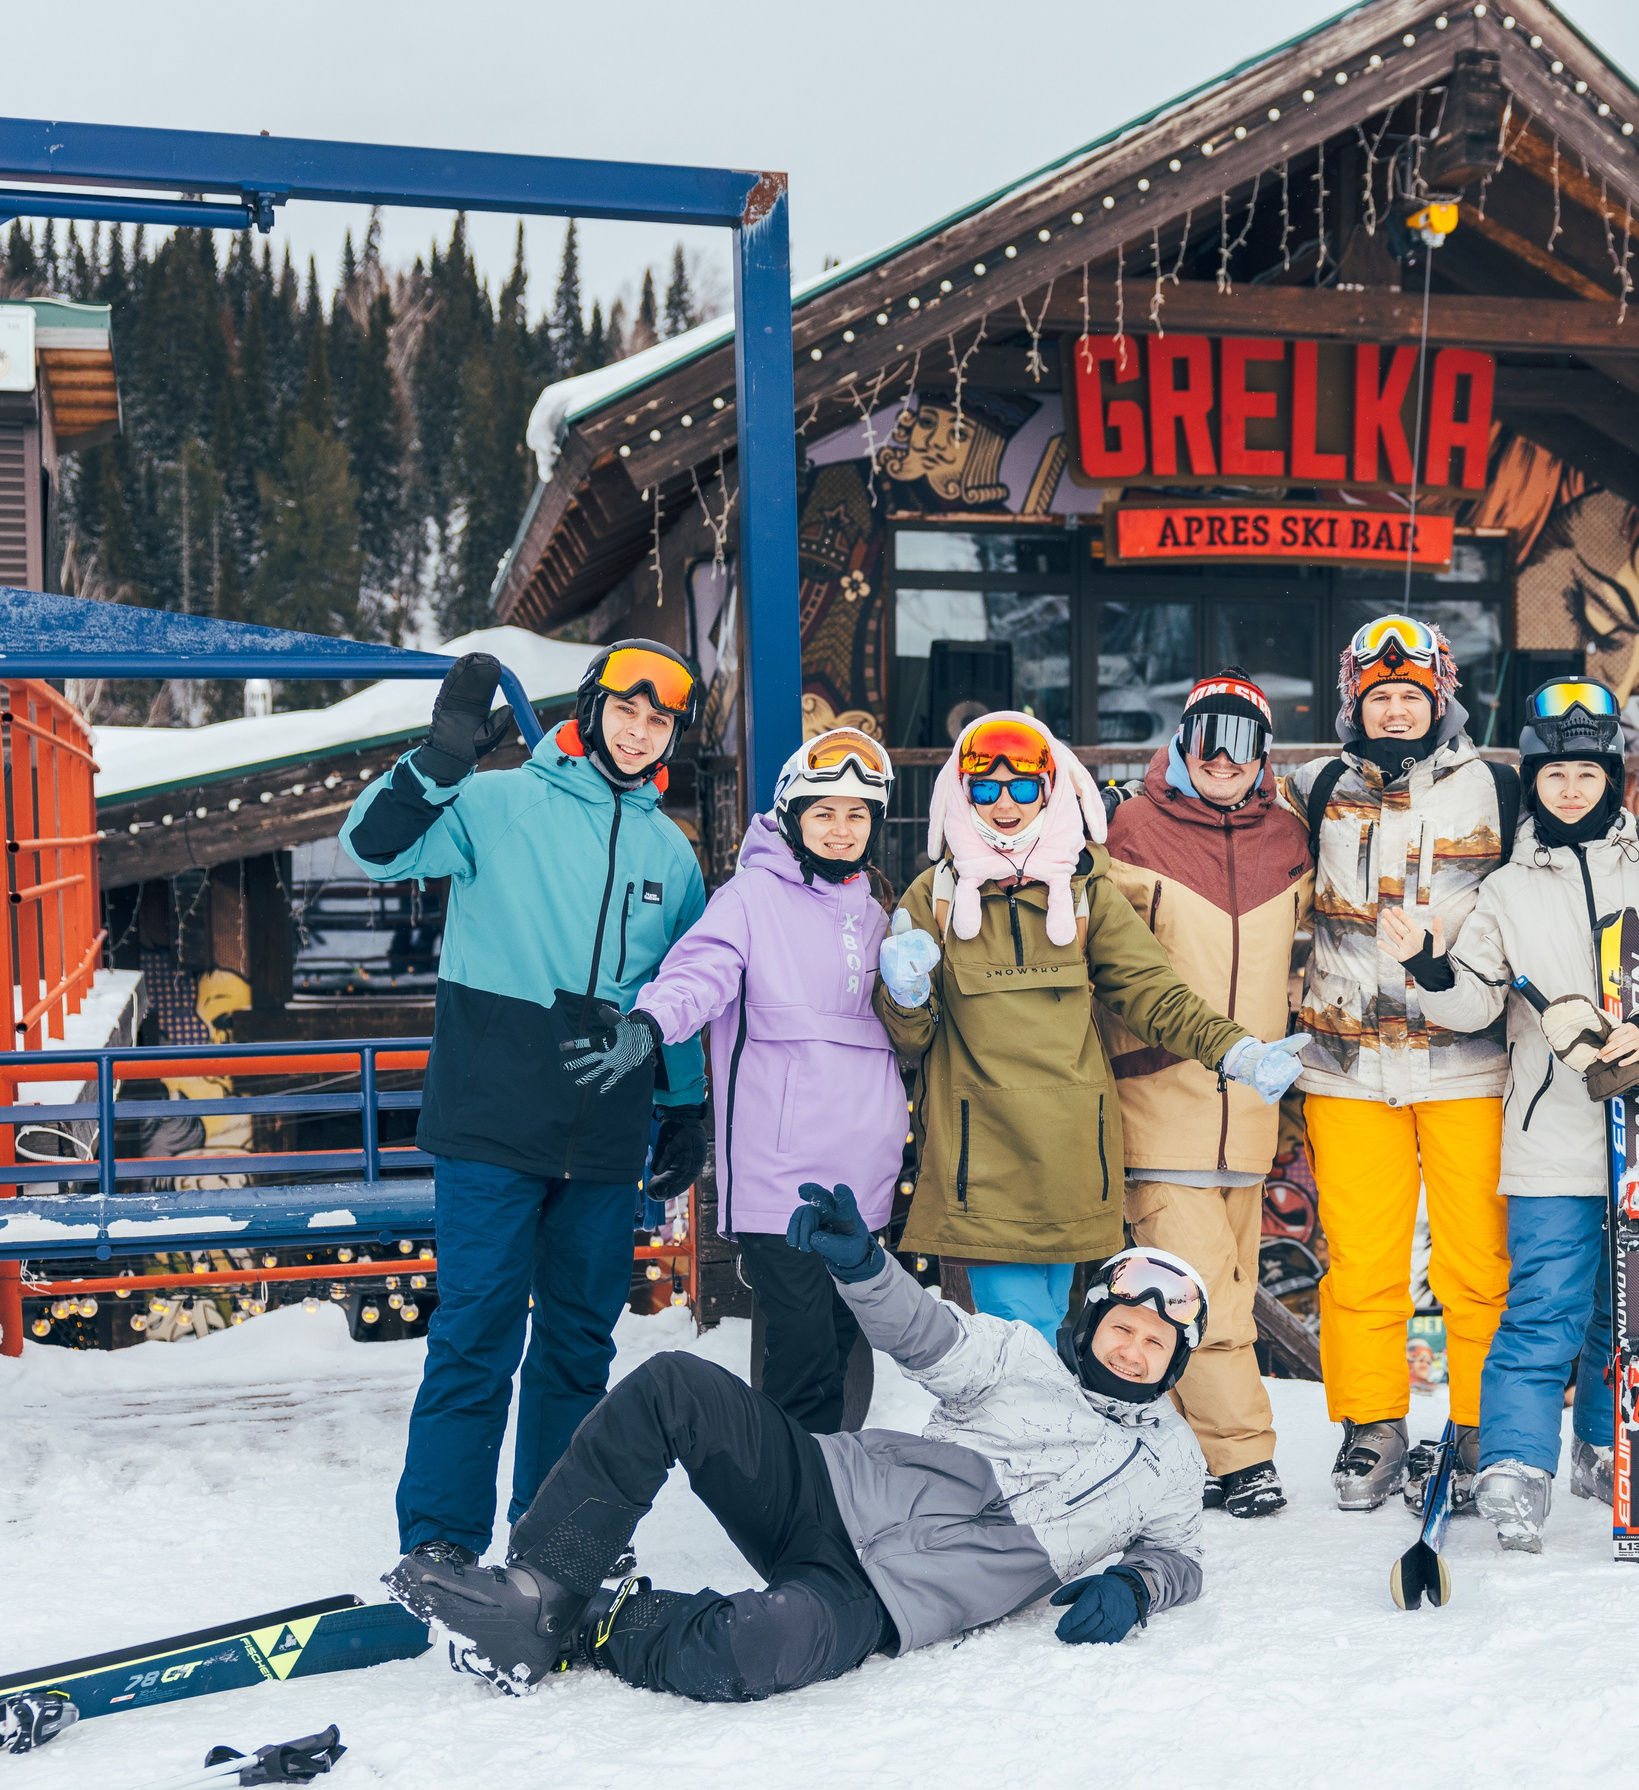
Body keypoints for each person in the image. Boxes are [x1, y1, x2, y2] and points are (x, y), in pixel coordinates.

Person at [385, 1195, 1213, 1702]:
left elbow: (1179, 1553)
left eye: (1157, 1343)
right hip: (825, 1487)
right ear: (1090, 1324)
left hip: (890, 1599)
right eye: (1123, 1328)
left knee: (757, 1647)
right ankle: (540, 1589)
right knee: (676, 1384)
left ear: (1176, 1362)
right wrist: (866, 1268)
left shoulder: (1172, 1462)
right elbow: (925, 1334)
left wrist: (1137, 1585)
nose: (1134, 1351)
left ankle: (592, 1625)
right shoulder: (1019, 1358)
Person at [343, 643, 710, 1576]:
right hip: (492, 1117)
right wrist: (440, 760)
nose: (639, 733)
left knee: (579, 1346)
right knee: (476, 1337)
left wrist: (684, 1105)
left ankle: (560, 1544)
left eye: (658, 721)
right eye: (625, 711)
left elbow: (684, 987)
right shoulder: (497, 802)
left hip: (605, 1131)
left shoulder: (673, 854)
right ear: (590, 710)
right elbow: (371, 848)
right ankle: (439, 1541)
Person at [1385, 679, 1639, 1551]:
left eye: (1587, 774)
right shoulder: (1507, 889)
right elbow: (1476, 998)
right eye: (1554, 775)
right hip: (1554, 1127)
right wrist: (1431, 968)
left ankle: (1609, 1444)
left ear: (1611, 778)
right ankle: (1516, 1462)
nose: (1571, 790)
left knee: (1635, 1309)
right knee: (1544, 1302)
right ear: (1532, 782)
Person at [877, 710, 1310, 1340]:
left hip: (1074, 1160)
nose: (1005, 805)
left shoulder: (1087, 893)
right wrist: (905, 993)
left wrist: (1236, 1051)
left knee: (1052, 1326)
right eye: (986, 788)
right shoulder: (933, 896)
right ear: (961, 794)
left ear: (1049, 793)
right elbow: (911, 1040)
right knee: (1020, 1335)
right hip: (981, 1162)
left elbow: (1154, 995)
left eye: (1023, 787)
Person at [1285, 614, 1515, 1514]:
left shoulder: (1499, 787)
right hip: (1345, 1064)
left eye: (1409, 695)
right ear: (1355, 703)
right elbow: (1223, 815)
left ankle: (1480, 1424)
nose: (1393, 711)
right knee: (1360, 1262)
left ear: (1439, 699)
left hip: (1467, 1064)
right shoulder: (1312, 787)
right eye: (1377, 696)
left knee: (1477, 1263)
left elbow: (1584, 837)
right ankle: (1372, 1425)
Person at [620, 726, 902, 1434]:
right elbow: (701, 971)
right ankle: (790, 1491)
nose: (841, 830)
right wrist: (652, 1021)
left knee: (843, 1341)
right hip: (782, 1172)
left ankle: (833, 1480)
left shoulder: (878, 913)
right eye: (824, 813)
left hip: (863, 1170)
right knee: (800, 1348)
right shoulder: (749, 897)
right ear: (792, 816)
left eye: (858, 814)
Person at [1100, 671, 1315, 1519]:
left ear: (1264, 754)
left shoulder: (1288, 837)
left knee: (1219, 1291)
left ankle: (1179, 1457)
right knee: (1208, 1298)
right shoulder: (1130, 828)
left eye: (1243, 741)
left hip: (1250, 1121)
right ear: (1182, 742)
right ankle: (1244, 1460)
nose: (1223, 758)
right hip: (1160, 1107)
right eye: (1207, 738)